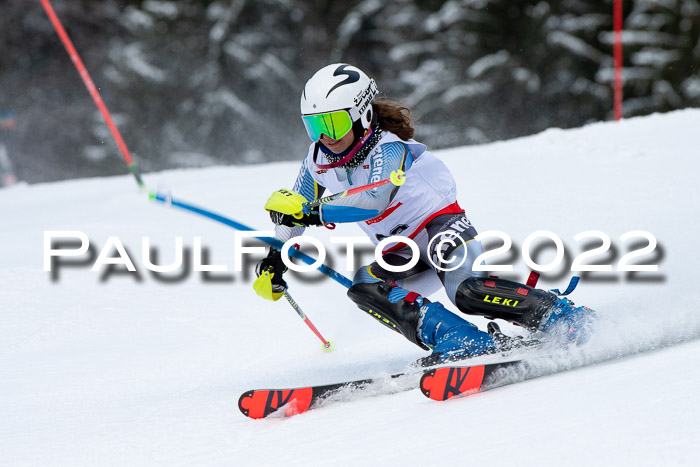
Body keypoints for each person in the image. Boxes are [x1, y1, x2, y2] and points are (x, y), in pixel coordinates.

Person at [254, 63, 594, 362]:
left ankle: (556, 315)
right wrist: (275, 259)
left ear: (363, 115)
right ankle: (459, 339)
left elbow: (375, 199)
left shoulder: (389, 148)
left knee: (466, 292)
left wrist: (312, 211)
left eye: (334, 124)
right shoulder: (317, 161)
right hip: (404, 250)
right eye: (315, 127)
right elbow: (292, 214)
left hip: (442, 231)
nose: (326, 137)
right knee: (364, 286)